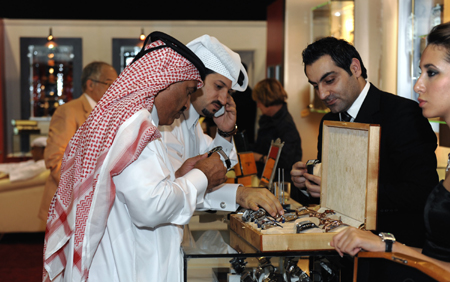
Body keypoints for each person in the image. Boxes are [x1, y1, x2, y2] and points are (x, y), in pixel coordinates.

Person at [43, 32, 228, 282]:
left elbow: (131, 192)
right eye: (187, 92)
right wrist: (201, 176)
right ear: (165, 81)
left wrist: (179, 177)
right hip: (123, 271)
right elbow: (151, 206)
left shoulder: (129, 121)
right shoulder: (135, 126)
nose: (186, 104)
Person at [290, 36, 438, 248]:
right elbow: (327, 196)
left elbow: (420, 192)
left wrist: (338, 189)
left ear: (355, 68)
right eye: (315, 86)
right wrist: (308, 184)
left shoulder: (403, 115)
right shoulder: (329, 121)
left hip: (391, 253)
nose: (322, 94)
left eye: (329, 80)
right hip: (338, 248)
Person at [331, 22, 450, 272]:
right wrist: (383, 244)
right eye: (421, 72)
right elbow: (436, 256)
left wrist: (387, 245)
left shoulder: (403, 117)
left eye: (431, 72)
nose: (418, 85)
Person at [159, 34, 284, 215]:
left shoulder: (193, 124)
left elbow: (217, 170)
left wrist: (225, 132)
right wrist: (238, 194)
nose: (224, 99)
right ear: (196, 79)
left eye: (229, 91)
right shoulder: (166, 123)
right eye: (218, 87)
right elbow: (177, 193)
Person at [38, 61, 118, 220]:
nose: (115, 89)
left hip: (101, 201)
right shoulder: (68, 111)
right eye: (110, 84)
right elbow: (55, 159)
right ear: (90, 84)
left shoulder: (110, 113)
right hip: (69, 204)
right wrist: (83, 193)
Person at [250, 78, 302, 199]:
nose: (257, 105)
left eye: (259, 101)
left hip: (282, 189)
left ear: (266, 99)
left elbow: (285, 162)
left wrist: (259, 157)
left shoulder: (286, 126)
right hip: (268, 182)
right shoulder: (268, 119)